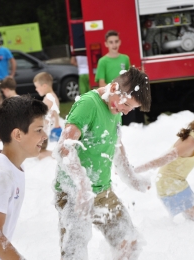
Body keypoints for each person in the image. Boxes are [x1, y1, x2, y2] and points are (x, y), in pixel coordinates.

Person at [53, 66, 152, 259]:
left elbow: (116, 144)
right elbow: (64, 149)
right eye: (126, 105)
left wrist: (131, 177)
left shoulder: (114, 107)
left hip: (102, 190)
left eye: (130, 109)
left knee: (129, 241)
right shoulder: (88, 104)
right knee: (75, 252)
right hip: (73, 191)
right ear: (114, 87)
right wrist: (82, 186)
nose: (125, 112)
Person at [135, 102, 194, 220]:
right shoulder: (190, 142)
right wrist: (134, 171)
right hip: (169, 184)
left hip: (177, 182)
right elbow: (162, 159)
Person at [0, 95, 48, 259]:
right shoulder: (0, 174)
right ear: (18, 135)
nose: (45, 136)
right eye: (38, 130)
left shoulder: (12, 167)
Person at [95, 30, 144, 125]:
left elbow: (129, 79)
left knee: (128, 124)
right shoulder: (102, 61)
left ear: (120, 42)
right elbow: (101, 83)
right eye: (111, 42)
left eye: (116, 41)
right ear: (106, 44)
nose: (114, 44)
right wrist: (115, 94)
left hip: (125, 98)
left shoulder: (125, 58)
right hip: (112, 99)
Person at [33, 72, 61, 159]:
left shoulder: (49, 98)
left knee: (42, 155)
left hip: (53, 131)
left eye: (37, 86)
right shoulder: (53, 96)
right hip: (56, 130)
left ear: (44, 86)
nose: (36, 89)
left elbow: (43, 118)